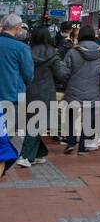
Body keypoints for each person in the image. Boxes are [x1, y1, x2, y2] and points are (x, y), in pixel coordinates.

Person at [57, 24, 100, 154]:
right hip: (94, 89)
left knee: (70, 116)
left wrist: (66, 82)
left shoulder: (73, 51)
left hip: (74, 89)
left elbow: (64, 72)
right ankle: (83, 146)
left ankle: (71, 142)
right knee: (89, 117)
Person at [15, 27, 61, 168]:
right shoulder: (53, 54)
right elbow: (61, 74)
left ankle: (39, 153)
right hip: (46, 92)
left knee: (33, 123)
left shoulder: (26, 52)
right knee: (35, 125)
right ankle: (24, 156)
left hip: (27, 91)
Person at [0, 16, 36, 160]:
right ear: (17, 27)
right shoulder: (21, 48)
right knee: (8, 131)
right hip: (12, 96)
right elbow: (29, 74)